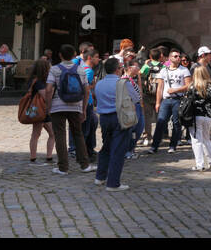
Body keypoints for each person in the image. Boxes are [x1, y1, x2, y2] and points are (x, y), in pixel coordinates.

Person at [92, 57, 136, 191]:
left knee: (106, 147)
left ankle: (100, 177)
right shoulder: (122, 83)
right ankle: (113, 183)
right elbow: (135, 98)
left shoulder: (99, 83)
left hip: (104, 118)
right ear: (118, 69)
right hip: (119, 117)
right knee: (118, 150)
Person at [45, 44, 90, 175]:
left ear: (60, 55)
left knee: (59, 135)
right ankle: (84, 164)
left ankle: (63, 167)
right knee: (78, 134)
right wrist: (84, 109)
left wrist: (49, 106)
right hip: (76, 105)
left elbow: (48, 89)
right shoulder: (81, 70)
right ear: (74, 54)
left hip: (58, 106)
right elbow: (87, 91)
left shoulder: (54, 69)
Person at [152, 49, 190, 155]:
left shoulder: (184, 70)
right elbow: (160, 88)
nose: (178, 58)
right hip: (166, 100)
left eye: (179, 56)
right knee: (161, 122)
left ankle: (173, 145)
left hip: (178, 99)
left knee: (176, 123)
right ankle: (154, 146)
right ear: (170, 58)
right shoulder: (164, 71)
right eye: (175, 56)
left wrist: (175, 90)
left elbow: (188, 86)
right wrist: (158, 102)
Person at [187, 65, 211, 170]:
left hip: (196, 115)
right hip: (208, 115)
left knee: (197, 141)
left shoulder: (192, 86)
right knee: (206, 139)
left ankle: (200, 164)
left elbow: (188, 101)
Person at [25, 57, 56, 165]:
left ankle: (48, 157)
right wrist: (52, 89)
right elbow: (45, 95)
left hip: (39, 110)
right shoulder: (39, 81)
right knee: (37, 133)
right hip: (40, 110)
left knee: (51, 133)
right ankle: (34, 158)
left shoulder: (35, 80)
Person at [137, 47, 163, 147]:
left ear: (150, 56)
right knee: (159, 117)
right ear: (160, 56)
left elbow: (140, 74)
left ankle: (148, 137)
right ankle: (158, 137)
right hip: (159, 94)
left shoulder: (147, 65)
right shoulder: (163, 67)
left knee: (147, 117)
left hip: (147, 94)